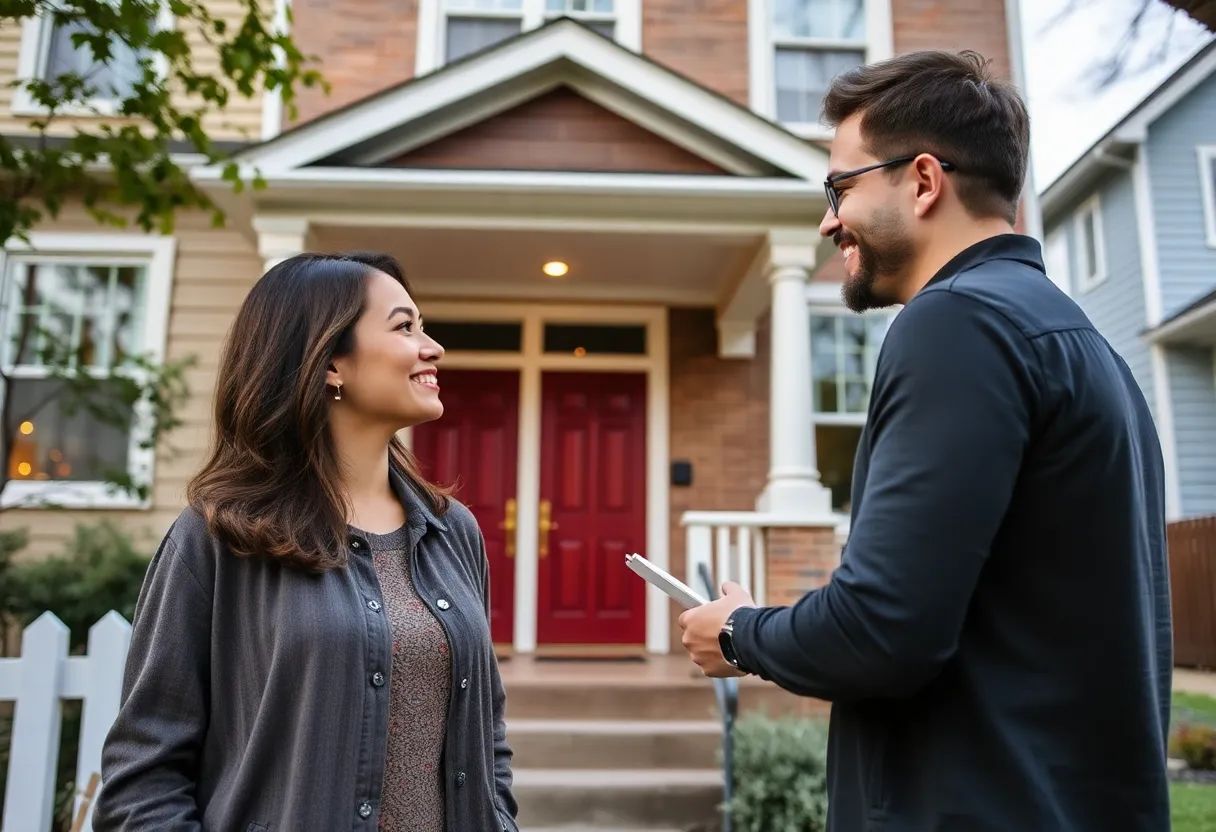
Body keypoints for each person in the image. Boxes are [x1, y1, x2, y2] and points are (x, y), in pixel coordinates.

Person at [678, 50, 1172, 831]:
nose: (827, 219)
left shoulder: (957, 324)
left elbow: (881, 630)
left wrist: (739, 633)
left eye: (840, 187)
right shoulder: (1090, 352)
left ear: (922, 180)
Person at [93, 251, 518, 832]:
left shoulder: (452, 532)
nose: (432, 347)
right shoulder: (221, 533)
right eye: (404, 326)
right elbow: (144, 774)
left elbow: (486, 734)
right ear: (329, 363)